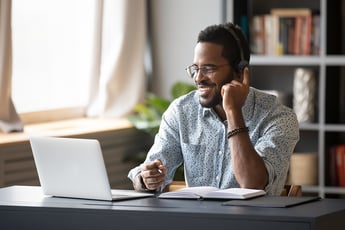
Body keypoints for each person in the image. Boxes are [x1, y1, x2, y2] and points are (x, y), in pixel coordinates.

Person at [128, 22, 299, 195]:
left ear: (240, 72)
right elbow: (147, 173)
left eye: (209, 68)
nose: (199, 78)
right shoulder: (181, 112)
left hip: (252, 222)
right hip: (199, 221)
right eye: (196, 68)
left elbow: (252, 183)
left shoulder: (278, 118)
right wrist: (146, 178)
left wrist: (233, 111)